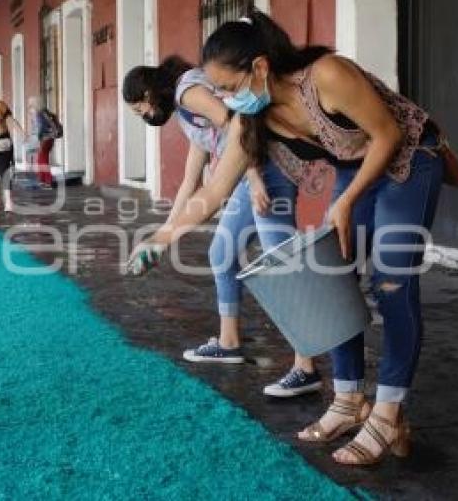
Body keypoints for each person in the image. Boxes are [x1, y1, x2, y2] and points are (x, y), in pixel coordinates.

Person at [133, 11, 443, 465]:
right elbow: (214, 191)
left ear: (260, 67)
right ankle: (348, 399)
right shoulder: (250, 121)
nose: (224, 100)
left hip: (411, 160)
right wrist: (160, 238)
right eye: (217, 91)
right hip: (357, 169)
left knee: (392, 283)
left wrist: (345, 200)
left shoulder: (326, 75)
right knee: (331, 277)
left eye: (229, 88)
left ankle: (388, 412)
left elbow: (387, 134)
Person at [122, 55, 320, 396]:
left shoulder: (186, 91)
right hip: (247, 173)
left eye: (141, 111)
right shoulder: (187, 113)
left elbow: (236, 125)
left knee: (281, 263)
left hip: (265, 166)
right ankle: (228, 342)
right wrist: (160, 237)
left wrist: (255, 176)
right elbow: (189, 181)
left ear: (150, 95)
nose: (145, 118)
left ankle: (306, 366)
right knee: (222, 253)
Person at [29, 97, 60, 189]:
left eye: (31, 103)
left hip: (45, 138)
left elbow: (41, 126)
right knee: (41, 159)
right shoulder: (46, 112)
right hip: (50, 138)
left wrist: (38, 137)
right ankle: (42, 180)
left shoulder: (39, 113)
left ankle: (48, 181)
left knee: (42, 160)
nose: (30, 104)